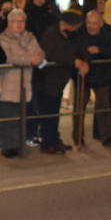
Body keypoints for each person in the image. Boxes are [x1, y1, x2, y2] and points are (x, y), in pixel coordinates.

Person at [35, 10, 88, 153]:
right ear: (64, 24)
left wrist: (84, 61)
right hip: (47, 80)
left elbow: (79, 49)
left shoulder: (72, 36)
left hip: (59, 81)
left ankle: (55, 140)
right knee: (49, 113)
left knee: (55, 112)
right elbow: (52, 54)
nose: (76, 30)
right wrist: (74, 60)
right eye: (74, 27)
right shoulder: (51, 34)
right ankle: (47, 143)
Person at [0, 9, 42, 157]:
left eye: (21, 21)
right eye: (15, 21)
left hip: (25, 83)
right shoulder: (3, 38)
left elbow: (39, 52)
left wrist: (37, 57)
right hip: (7, 83)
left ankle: (20, 145)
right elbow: (9, 57)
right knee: (8, 117)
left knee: (22, 116)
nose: (19, 24)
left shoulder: (30, 36)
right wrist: (29, 59)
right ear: (9, 23)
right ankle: (8, 147)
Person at [74, 9, 111, 145]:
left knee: (103, 106)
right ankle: (78, 137)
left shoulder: (108, 31)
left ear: (100, 23)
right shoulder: (80, 32)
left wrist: (100, 50)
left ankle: (106, 136)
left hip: (102, 74)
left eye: (94, 23)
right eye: (89, 23)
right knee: (79, 108)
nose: (91, 26)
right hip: (83, 74)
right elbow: (73, 49)